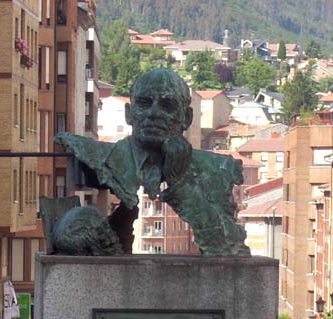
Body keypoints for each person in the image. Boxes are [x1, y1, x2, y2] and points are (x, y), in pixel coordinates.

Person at [54, 68, 249, 256]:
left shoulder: (218, 168)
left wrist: (181, 185)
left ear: (186, 118)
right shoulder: (92, 155)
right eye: (144, 103)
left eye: (168, 106)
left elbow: (227, 248)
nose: (154, 113)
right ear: (129, 114)